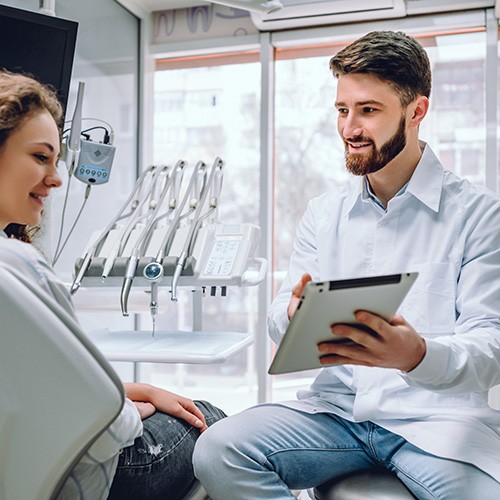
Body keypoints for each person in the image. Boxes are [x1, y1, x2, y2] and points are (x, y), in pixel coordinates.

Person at [192, 30, 500, 499]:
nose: (350, 128)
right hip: (339, 414)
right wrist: (295, 316)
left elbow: (490, 347)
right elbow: (279, 316)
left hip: (436, 420)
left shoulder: (479, 214)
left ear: (417, 111)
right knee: (218, 451)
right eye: (342, 110)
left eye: (368, 110)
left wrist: (414, 356)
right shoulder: (324, 212)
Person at [0, 69, 226, 500]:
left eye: (57, 161)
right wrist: (125, 409)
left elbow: (28, 384)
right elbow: (107, 427)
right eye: (39, 157)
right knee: (211, 419)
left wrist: (129, 391)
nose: (56, 178)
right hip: (82, 475)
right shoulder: (19, 267)